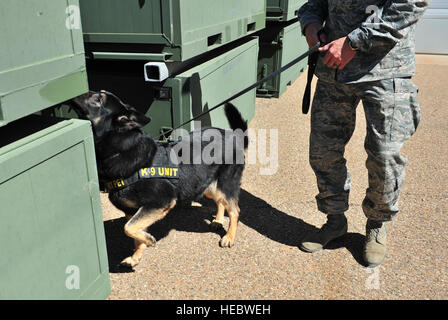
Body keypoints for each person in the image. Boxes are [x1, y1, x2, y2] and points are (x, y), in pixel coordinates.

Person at [297, 0, 429, 267]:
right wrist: (311, 26)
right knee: (323, 151)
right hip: (334, 70)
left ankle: (377, 224)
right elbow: (315, 4)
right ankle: (334, 219)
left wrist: (353, 42)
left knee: (384, 155)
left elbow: (410, 4)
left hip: (386, 70)